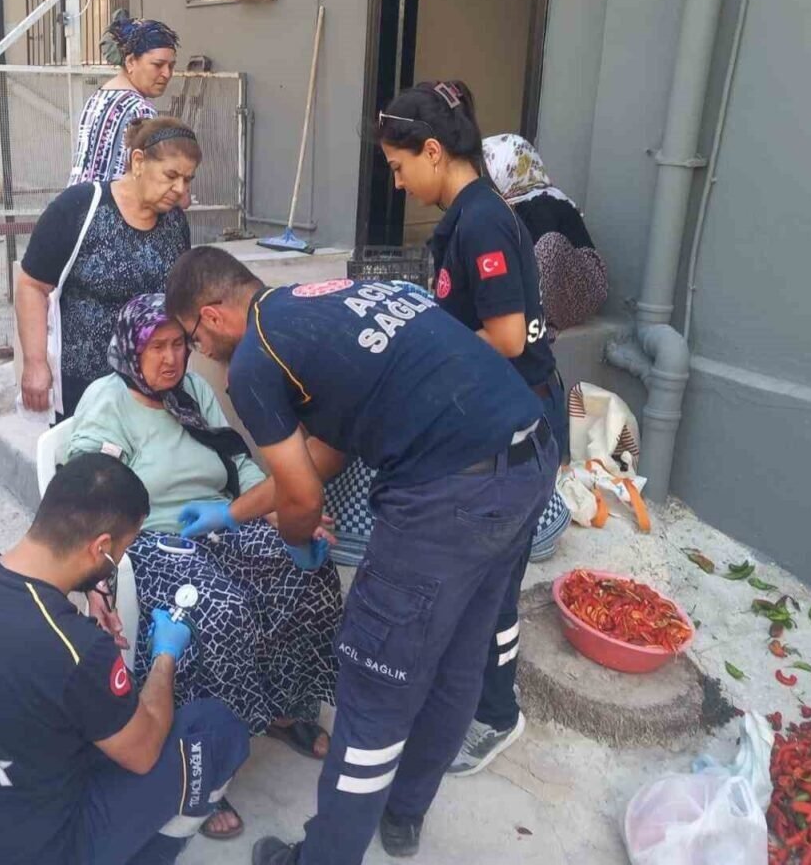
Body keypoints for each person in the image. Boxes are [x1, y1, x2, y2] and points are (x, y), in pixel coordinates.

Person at [164, 247, 558, 864]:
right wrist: (233, 513)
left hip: (448, 497)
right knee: (460, 656)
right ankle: (403, 816)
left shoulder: (254, 362)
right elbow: (324, 454)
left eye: (191, 338)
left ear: (211, 316)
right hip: (529, 460)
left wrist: (296, 543)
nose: (198, 353)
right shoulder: (331, 302)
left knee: (375, 686)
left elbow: (303, 494)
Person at [65, 293, 343, 840]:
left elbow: (236, 461)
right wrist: (97, 573)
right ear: (132, 348)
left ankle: (284, 706)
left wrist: (279, 510)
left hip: (219, 521)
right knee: (219, 608)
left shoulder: (193, 390)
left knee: (304, 570)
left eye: (179, 344)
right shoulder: (108, 399)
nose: (171, 358)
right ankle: (204, 761)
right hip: (153, 538)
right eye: (157, 347)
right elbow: (89, 489)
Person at [0, 453, 250, 865]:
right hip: (40, 854)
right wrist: (165, 656)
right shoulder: (74, 646)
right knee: (215, 728)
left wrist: (89, 586)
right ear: (100, 547)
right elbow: (144, 752)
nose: (114, 565)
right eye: (120, 552)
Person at [378, 80, 566, 780]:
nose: (397, 183)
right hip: (498, 420)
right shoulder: (468, 215)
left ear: (433, 150)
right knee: (479, 575)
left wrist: (425, 354)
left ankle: (495, 714)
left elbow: (508, 338)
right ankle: (469, 695)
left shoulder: (482, 219)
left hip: (517, 427)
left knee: (494, 582)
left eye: (399, 166)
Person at [16, 117, 197, 420]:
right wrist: (35, 363)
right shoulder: (80, 207)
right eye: (171, 175)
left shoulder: (175, 223)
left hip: (153, 392)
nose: (180, 189)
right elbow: (31, 285)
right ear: (138, 161)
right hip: (84, 391)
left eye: (188, 180)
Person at [483, 132, 609, 331]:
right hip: (555, 289)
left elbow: (535, 264)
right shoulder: (510, 206)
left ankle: (538, 321)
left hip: (581, 290)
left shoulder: (541, 204)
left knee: (547, 246)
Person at [70, 10, 179, 185]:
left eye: (171, 66)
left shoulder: (97, 98)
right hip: (112, 201)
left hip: (79, 199)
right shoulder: (140, 109)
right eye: (158, 65)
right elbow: (144, 180)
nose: (166, 73)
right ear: (130, 62)